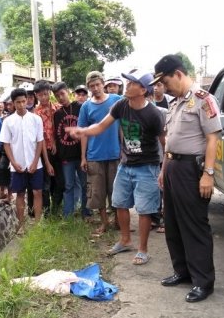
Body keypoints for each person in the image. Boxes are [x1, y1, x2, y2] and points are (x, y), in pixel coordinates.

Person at [68, 70, 164, 266]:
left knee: (145, 210)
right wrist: (82, 131)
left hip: (147, 167)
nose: (126, 86)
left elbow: (165, 142)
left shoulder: (153, 113)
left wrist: (164, 169)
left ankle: (143, 249)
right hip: (125, 164)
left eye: (131, 84)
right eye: (127, 83)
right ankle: (125, 240)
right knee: (119, 203)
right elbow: (101, 126)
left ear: (143, 90)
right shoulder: (121, 105)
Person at [152, 54, 222, 303]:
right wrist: (163, 170)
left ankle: (203, 281)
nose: (163, 87)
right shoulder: (175, 103)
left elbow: (213, 137)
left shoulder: (204, 100)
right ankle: (181, 271)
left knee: (194, 225)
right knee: (172, 223)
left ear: (178, 74)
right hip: (172, 167)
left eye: (165, 81)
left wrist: (208, 174)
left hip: (192, 169)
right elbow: (170, 140)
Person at [77, 71, 121, 236]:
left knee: (117, 191)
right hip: (95, 156)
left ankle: (118, 221)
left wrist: (124, 149)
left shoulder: (116, 100)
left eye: (97, 84)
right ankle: (104, 223)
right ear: (88, 87)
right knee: (98, 192)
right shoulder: (86, 107)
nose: (95, 88)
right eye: (91, 86)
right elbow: (83, 133)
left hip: (115, 154)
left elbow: (123, 125)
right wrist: (83, 157)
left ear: (103, 83)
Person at [0, 88, 45, 232]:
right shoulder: (8, 121)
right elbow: (6, 144)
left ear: (27, 100)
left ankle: (37, 223)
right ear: (13, 103)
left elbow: (39, 142)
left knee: (37, 192)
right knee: (19, 193)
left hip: (35, 163)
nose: (21, 105)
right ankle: (21, 225)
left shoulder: (36, 119)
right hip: (17, 164)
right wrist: (13, 162)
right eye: (18, 102)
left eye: (23, 101)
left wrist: (35, 161)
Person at [52, 81, 88, 218]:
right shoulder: (57, 114)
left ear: (68, 92)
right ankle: (68, 214)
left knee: (85, 185)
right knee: (68, 186)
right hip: (66, 156)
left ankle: (86, 212)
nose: (60, 97)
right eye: (57, 96)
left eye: (62, 93)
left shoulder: (81, 108)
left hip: (81, 154)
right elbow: (57, 134)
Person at [33, 80, 61, 215]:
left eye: (46, 94)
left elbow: (59, 130)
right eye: (40, 95)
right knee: (45, 183)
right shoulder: (35, 114)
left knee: (59, 182)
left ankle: (57, 210)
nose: (44, 97)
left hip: (58, 150)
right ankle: (46, 213)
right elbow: (40, 138)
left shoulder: (57, 108)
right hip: (43, 152)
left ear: (49, 93)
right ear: (36, 96)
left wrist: (55, 142)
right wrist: (47, 160)